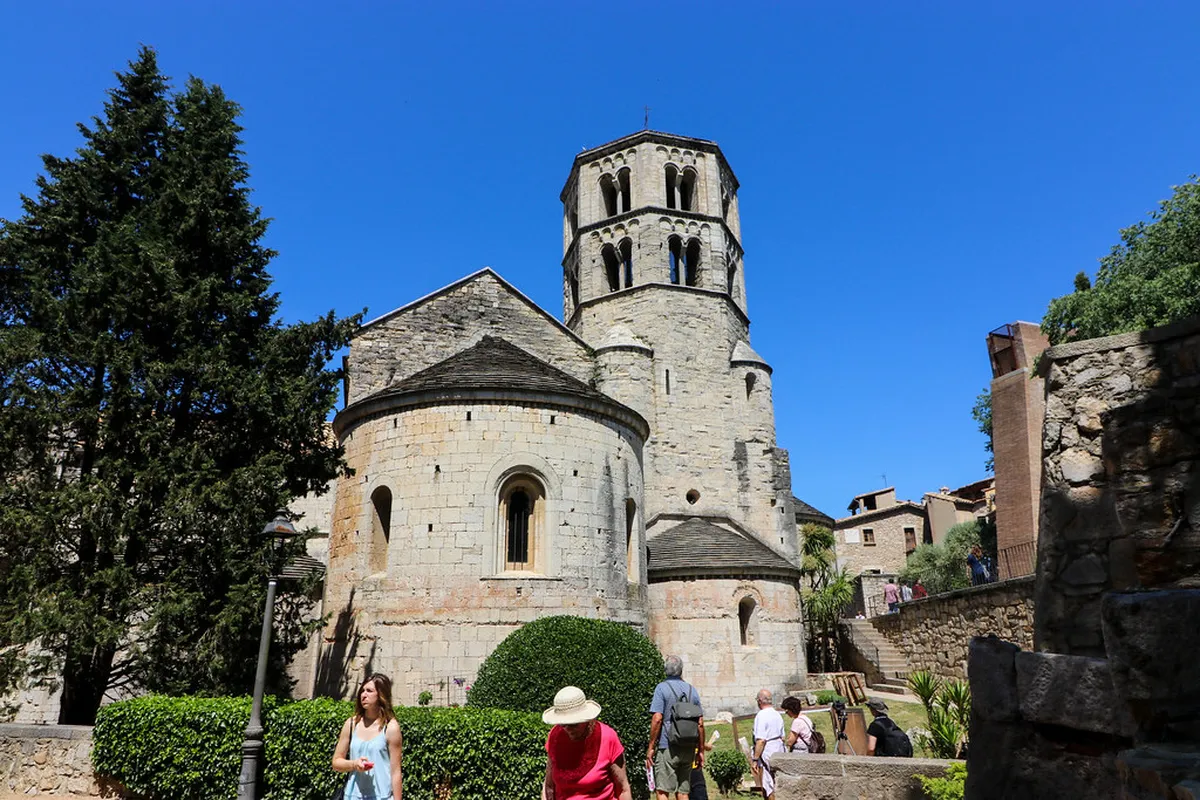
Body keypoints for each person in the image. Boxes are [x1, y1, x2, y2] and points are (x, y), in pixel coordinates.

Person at [542, 686, 632, 800]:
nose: (567, 729)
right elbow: (549, 786)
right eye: (562, 724)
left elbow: (623, 789)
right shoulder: (555, 735)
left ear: (587, 719)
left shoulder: (608, 737)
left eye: (573, 724)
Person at [332, 673, 404, 800]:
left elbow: (396, 772)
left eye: (369, 691)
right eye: (362, 691)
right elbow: (336, 762)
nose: (363, 695)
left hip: (381, 796)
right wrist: (354, 764)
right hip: (352, 796)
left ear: (381, 695)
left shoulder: (390, 727)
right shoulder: (351, 724)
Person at [647, 655, 704, 800]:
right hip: (688, 746)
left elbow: (657, 719)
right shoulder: (692, 690)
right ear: (681, 670)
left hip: (667, 745)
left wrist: (651, 747)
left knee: (662, 790)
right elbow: (700, 723)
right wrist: (701, 750)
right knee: (683, 792)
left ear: (665, 670)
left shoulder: (661, 688)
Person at [751, 689, 786, 800]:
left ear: (760, 701)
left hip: (767, 752)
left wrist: (755, 759)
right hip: (779, 750)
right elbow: (783, 737)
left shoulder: (761, 715)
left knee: (768, 784)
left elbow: (761, 740)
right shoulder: (777, 714)